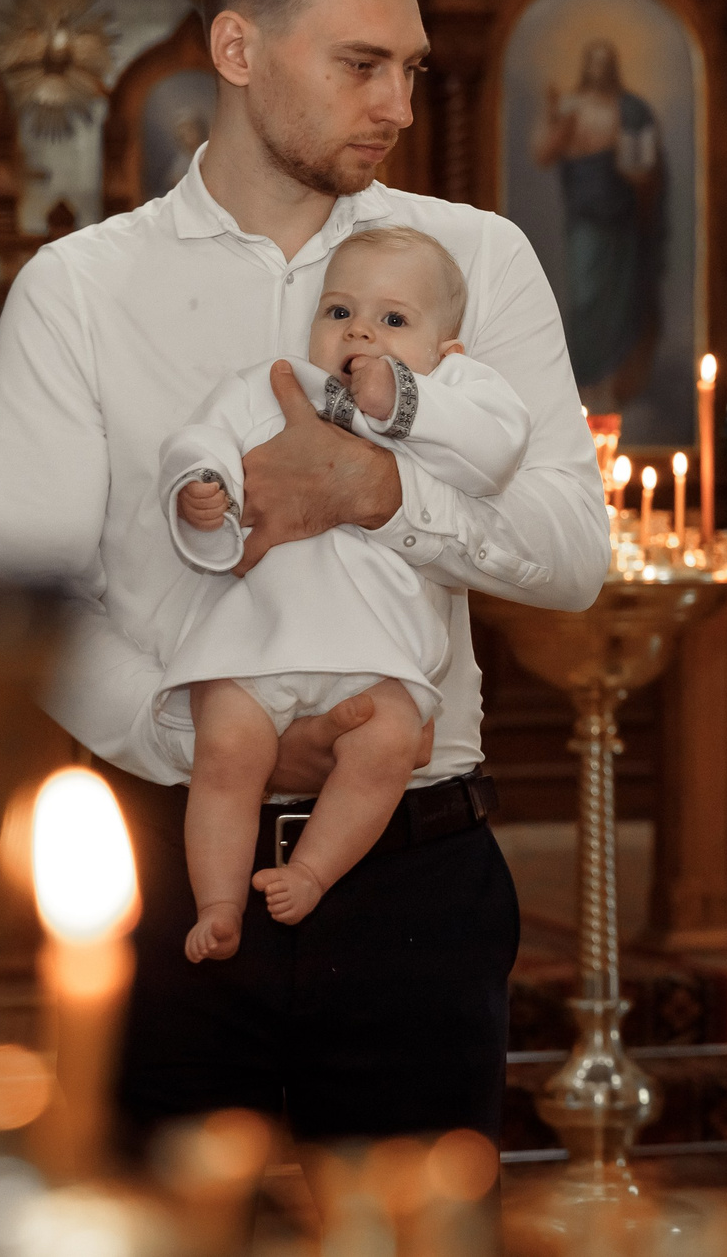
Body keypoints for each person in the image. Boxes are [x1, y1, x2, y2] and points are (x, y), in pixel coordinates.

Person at [0, 0, 607, 1144]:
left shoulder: (473, 258)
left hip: (417, 874)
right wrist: (215, 741)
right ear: (237, 49)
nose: (400, 107)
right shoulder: (82, 289)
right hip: (163, 870)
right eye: (363, 65)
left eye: (413, 69)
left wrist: (385, 494)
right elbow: (29, 602)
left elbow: (572, 553)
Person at [158, 227, 531, 961]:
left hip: (378, 657)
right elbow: (202, 434)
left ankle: (312, 871)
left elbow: (498, 448)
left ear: (445, 352)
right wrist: (202, 486)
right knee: (226, 749)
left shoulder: (449, 399)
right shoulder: (276, 384)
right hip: (260, 638)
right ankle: (219, 903)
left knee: (388, 743)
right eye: (339, 312)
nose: (360, 329)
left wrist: (409, 401)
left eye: (394, 319)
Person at [533, 39, 664, 411]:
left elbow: (644, 167)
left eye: (606, 63)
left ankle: (607, 384)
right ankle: (585, 385)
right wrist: (558, 122)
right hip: (587, 221)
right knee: (587, 300)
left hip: (622, 222)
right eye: (594, 62)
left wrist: (636, 170)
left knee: (618, 303)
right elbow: (544, 154)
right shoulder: (570, 107)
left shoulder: (630, 110)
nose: (599, 70)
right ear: (586, 67)